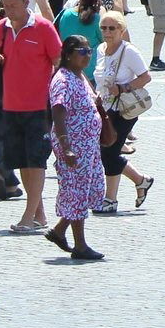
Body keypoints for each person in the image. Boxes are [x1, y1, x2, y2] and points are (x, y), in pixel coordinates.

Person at [0, 0, 63, 235]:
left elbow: (58, 60)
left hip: (38, 106)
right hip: (10, 104)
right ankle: (38, 213)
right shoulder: (2, 28)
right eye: (6, 6)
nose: (9, 11)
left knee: (36, 160)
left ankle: (29, 216)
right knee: (21, 159)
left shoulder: (43, 28)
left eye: (14, 6)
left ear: (27, 3)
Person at [44, 34, 105, 260]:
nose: (87, 56)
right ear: (68, 55)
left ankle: (60, 230)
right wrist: (65, 145)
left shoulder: (79, 76)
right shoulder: (63, 79)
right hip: (74, 146)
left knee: (86, 190)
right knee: (77, 192)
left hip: (88, 146)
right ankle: (80, 245)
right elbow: (58, 112)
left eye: (89, 51)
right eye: (82, 52)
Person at [90, 12, 153, 216]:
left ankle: (111, 199)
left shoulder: (129, 52)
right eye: (104, 28)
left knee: (109, 153)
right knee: (107, 152)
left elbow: (145, 77)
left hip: (123, 110)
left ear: (121, 30)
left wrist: (124, 87)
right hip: (104, 109)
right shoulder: (101, 49)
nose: (107, 32)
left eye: (112, 28)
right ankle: (141, 180)